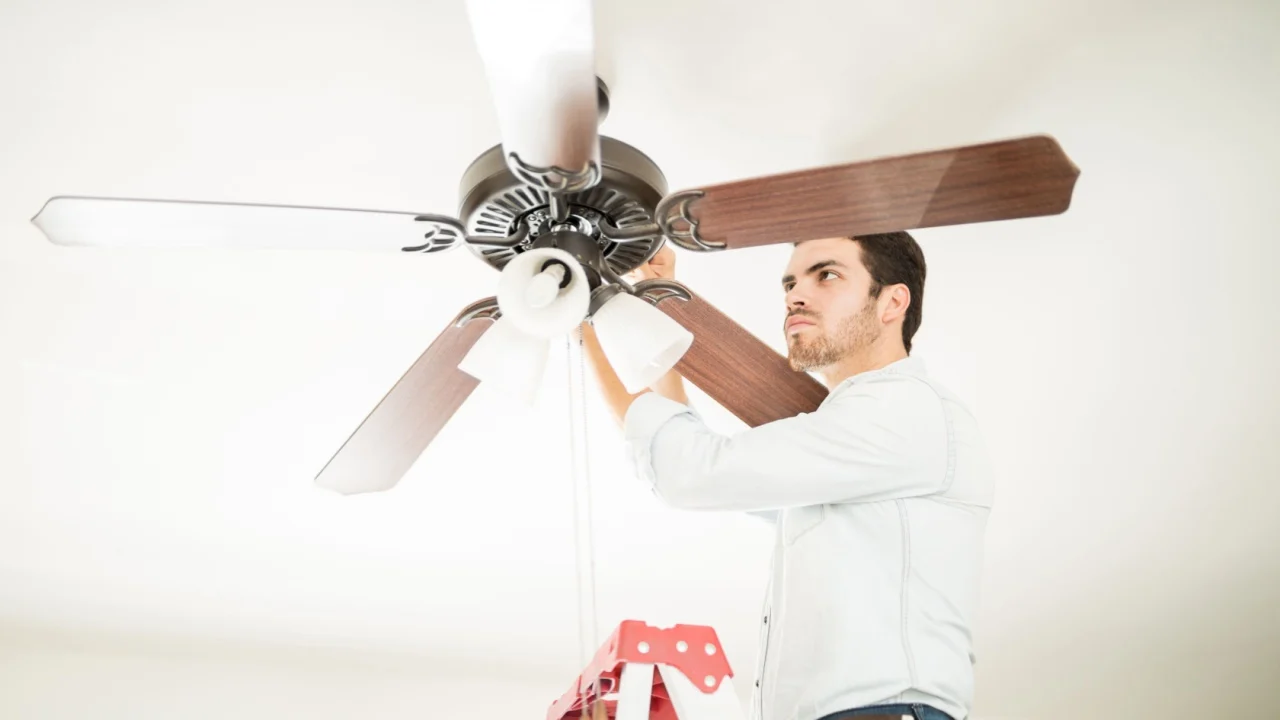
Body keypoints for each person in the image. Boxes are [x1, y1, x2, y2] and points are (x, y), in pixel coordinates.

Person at [581, 232, 993, 720]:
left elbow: (690, 471)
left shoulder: (905, 411)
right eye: (791, 282)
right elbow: (691, 457)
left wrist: (586, 317)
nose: (796, 295)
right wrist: (648, 312)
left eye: (828, 275)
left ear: (892, 302)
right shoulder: (848, 454)